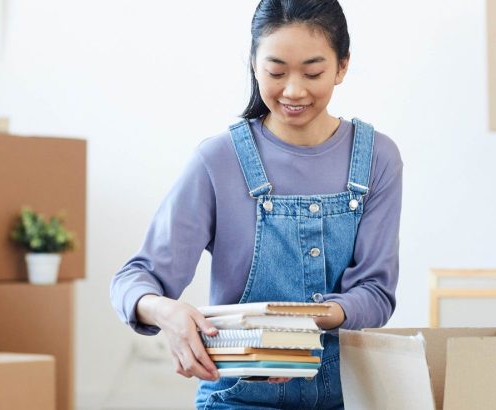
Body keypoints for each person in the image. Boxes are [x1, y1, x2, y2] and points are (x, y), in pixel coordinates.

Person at [110, 0, 402, 408]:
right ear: (253, 63)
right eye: (276, 71)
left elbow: (376, 293)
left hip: (348, 395)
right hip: (238, 398)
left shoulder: (376, 158)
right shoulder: (218, 160)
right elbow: (135, 279)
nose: (294, 90)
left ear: (342, 66)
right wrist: (166, 314)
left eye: (313, 72)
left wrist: (300, 327)